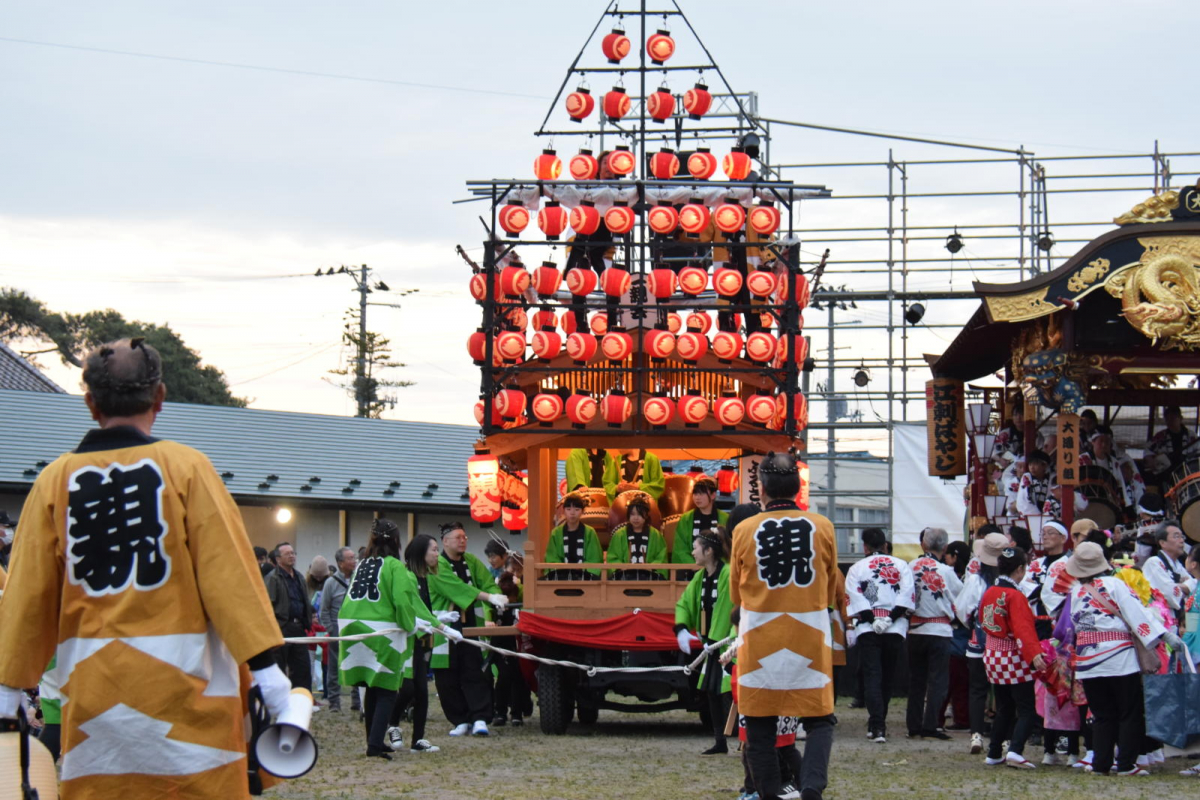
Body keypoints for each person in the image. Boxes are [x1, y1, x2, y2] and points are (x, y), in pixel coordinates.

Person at [0, 337, 292, 799]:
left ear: (90, 402)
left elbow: (27, 596)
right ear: (160, 396)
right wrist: (267, 669)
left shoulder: (54, 481)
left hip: (95, 696)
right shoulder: (187, 469)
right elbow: (230, 578)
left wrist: (9, 686)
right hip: (189, 691)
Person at [729, 452, 839, 800]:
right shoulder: (822, 527)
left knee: (759, 728)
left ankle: (770, 795)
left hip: (760, 639)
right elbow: (832, 586)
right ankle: (810, 789)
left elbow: (736, 592)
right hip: (809, 636)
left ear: (760, 488)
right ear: (798, 487)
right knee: (820, 720)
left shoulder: (745, 529)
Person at [1062, 542, 1182, 776]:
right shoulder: (1115, 584)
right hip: (1118, 656)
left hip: (1088, 659)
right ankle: (1126, 764)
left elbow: (1076, 624)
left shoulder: (1077, 591)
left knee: (1102, 714)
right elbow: (1136, 613)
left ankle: (1101, 764)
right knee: (1129, 711)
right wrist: (1164, 635)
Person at [337, 518, 436, 759]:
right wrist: (411, 626)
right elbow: (402, 601)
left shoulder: (362, 564)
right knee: (386, 689)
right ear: (396, 541)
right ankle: (374, 745)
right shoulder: (394, 566)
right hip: (381, 629)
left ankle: (374, 740)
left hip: (351, 626)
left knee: (372, 686)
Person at [429, 522, 507, 737]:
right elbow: (456, 588)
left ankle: (480, 717)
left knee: (475, 670)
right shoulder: (437, 564)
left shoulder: (471, 561)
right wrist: (488, 596)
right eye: (458, 537)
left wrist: (495, 596)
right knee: (447, 675)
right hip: (446, 624)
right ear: (445, 541)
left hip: (472, 622)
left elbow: (488, 583)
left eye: (465, 537)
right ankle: (459, 719)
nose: (463, 540)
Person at [979, 546, 1047, 769]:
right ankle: (1016, 751)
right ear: (1020, 569)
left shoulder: (990, 591)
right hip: (1012, 655)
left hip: (992, 654)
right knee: (1026, 708)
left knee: (1004, 707)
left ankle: (994, 751)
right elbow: (1023, 629)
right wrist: (1034, 655)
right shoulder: (1015, 595)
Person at [845, 527, 914, 743]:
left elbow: (855, 596)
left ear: (865, 547)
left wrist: (871, 619)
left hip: (868, 627)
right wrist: (890, 618)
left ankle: (877, 726)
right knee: (888, 675)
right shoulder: (901, 565)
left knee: (872, 675)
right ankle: (879, 721)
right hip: (894, 627)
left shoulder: (857, 568)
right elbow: (907, 594)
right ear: (885, 545)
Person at [390, 533, 452, 754]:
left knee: (422, 690)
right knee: (407, 689)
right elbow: (409, 607)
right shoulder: (407, 576)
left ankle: (418, 739)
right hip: (404, 639)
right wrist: (440, 625)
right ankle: (392, 724)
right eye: (433, 549)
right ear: (420, 552)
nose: (437, 553)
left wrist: (438, 620)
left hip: (420, 639)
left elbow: (423, 608)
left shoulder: (425, 578)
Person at [675, 525, 734, 756]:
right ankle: (720, 741)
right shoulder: (700, 577)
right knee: (712, 692)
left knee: (732, 692)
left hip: (728, 643)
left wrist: (725, 638)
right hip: (711, 644)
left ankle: (745, 737)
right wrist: (681, 628)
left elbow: (734, 607)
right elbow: (685, 603)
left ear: (709, 551)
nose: (693, 552)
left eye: (696, 548)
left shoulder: (728, 574)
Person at [906, 527, 963, 740]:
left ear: (923, 544)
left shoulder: (910, 567)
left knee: (916, 679)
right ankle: (931, 725)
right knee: (938, 680)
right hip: (939, 630)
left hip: (914, 629)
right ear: (945, 547)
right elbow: (961, 597)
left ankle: (913, 725)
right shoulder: (946, 571)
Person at [956, 531, 1008, 755]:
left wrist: (972, 624)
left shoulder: (976, 579)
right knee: (1004, 690)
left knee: (977, 689)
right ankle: (1004, 736)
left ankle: (976, 734)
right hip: (1005, 641)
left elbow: (962, 608)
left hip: (979, 638)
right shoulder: (1010, 581)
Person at [265, 541, 313, 692]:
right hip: (282, 627)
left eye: (293, 553)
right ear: (278, 559)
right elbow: (268, 604)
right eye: (288, 554)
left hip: (299, 627)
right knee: (279, 667)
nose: (292, 556)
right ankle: (280, 700)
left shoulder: (299, 576)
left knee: (302, 667)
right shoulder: (273, 578)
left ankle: (302, 698)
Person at [319, 546, 359, 712]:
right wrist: (330, 628)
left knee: (357, 663)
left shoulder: (359, 579)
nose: (354, 560)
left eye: (354, 557)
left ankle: (357, 701)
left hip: (355, 626)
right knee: (334, 666)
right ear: (341, 563)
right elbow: (324, 609)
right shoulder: (330, 583)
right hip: (337, 627)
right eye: (350, 558)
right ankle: (334, 702)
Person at [942, 540, 973, 731]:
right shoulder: (970, 579)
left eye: (948, 555)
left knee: (949, 681)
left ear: (954, 556)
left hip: (954, 633)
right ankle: (962, 718)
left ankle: (950, 718)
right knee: (961, 682)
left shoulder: (955, 578)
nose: (945, 558)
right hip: (967, 636)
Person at [1141, 520, 1196, 625]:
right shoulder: (1154, 563)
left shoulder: (1179, 566)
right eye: (1176, 536)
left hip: (1180, 625)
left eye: (1182, 537)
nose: (1181, 541)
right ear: (1163, 543)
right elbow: (1170, 595)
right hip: (1164, 625)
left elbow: (1195, 588)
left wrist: (1179, 586)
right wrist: (1185, 586)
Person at [606, 491, 668, 580]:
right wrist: (622, 567)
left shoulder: (655, 535)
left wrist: (650, 567)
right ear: (628, 516)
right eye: (632, 514)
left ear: (646, 516)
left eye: (639, 514)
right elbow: (612, 557)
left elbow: (661, 557)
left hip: (649, 577)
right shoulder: (620, 534)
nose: (636, 518)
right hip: (624, 576)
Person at [670, 477, 730, 568]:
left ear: (713, 495)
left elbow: (728, 546)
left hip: (718, 569)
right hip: (691, 570)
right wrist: (694, 565)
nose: (697, 498)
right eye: (695, 494)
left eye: (702, 494)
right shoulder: (686, 519)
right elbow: (680, 548)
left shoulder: (725, 518)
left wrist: (715, 566)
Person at [544, 490, 604, 580]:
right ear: (564, 511)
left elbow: (594, 559)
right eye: (568, 509)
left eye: (577, 509)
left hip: (585, 575)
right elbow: (551, 558)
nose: (572, 513)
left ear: (582, 511)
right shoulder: (556, 533)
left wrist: (581, 567)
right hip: (561, 575)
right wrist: (564, 567)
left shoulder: (590, 532)